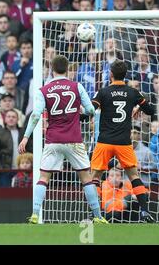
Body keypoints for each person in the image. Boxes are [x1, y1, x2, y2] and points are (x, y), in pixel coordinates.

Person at [18, 55, 107, 224]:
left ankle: (35, 214)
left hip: (53, 140)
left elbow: (36, 115)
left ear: (51, 69)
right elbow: (90, 110)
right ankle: (98, 216)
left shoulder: (43, 90)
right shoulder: (77, 86)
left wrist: (25, 137)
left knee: (43, 177)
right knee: (86, 178)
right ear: (67, 68)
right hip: (74, 139)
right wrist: (78, 111)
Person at [91, 60, 156, 223]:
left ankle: (94, 215)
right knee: (134, 176)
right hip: (124, 143)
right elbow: (151, 110)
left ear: (111, 74)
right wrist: (137, 108)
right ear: (125, 75)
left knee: (95, 177)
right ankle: (145, 211)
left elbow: (91, 110)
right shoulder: (132, 92)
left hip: (104, 141)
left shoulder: (103, 92)